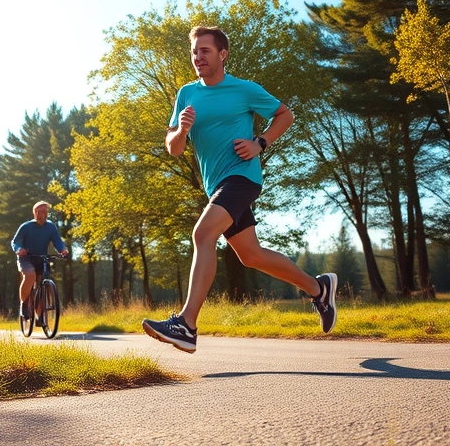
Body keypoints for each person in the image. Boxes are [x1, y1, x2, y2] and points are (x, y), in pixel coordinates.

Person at [141, 25, 337, 353]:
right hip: (216, 184)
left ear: (222, 54)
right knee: (250, 256)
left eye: (204, 51)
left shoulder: (244, 90)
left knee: (203, 234)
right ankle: (318, 288)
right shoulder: (187, 94)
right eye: (194, 52)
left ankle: (187, 325)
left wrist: (260, 142)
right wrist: (181, 131)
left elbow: (284, 115)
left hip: (242, 178)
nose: (198, 57)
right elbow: (173, 148)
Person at [11, 200, 69, 320]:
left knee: (45, 281)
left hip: (41, 258)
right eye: (42, 211)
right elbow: (15, 242)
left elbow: (57, 241)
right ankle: (24, 304)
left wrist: (62, 249)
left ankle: (40, 314)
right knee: (30, 275)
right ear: (35, 213)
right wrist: (19, 249)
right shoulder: (26, 227)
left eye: (46, 211)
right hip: (26, 258)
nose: (45, 214)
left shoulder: (51, 227)